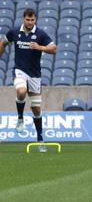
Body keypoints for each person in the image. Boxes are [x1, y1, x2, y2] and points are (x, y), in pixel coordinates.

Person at [0, 8, 57, 152]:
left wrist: (40, 47)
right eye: (28, 20)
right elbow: (3, 42)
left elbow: (54, 49)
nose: (30, 22)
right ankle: (20, 118)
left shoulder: (40, 34)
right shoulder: (14, 32)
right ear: (23, 19)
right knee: (21, 91)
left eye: (32, 20)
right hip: (20, 70)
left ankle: (40, 138)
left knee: (36, 109)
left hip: (35, 75)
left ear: (35, 19)